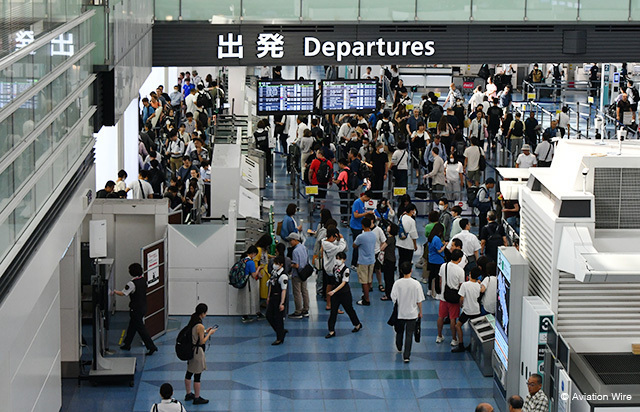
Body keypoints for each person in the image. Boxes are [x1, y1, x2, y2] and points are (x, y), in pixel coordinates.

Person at [113, 263, 158, 355]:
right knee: (132, 326)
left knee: (141, 329)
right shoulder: (143, 280)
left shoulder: (131, 283)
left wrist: (113, 292)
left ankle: (151, 346)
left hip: (135, 309)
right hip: (143, 307)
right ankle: (127, 343)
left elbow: (123, 293)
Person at [390, 262, 425, 363]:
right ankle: (406, 356)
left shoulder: (397, 283)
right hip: (412, 314)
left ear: (401, 271)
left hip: (400, 313)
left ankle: (399, 345)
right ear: (411, 270)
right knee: (409, 334)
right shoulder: (416, 284)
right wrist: (420, 312)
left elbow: (393, 297)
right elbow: (419, 301)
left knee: (399, 331)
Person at [183, 303, 216, 405]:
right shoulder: (200, 325)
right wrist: (209, 334)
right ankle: (197, 398)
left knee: (189, 373)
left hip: (190, 349)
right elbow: (202, 341)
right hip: (197, 352)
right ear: (203, 313)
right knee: (197, 375)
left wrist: (206, 331)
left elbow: (195, 333)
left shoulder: (193, 319)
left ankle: (188, 394)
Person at [326, 251, 363, 338]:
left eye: (340, 259)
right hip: (335, 294)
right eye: (337, 258)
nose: (338, 260)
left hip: (344, 293)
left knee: (349, 309)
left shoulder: (346, 270)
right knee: (333, 312)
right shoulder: (335, 267)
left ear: (344, 260)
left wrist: (334, 291)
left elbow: (344, 283)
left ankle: (357, 324)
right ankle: (331, 330)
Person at [436, 249, 465, 346]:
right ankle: (454, 339)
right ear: (460, 259)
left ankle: (439, 336)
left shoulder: (444, 266)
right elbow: (461, 286)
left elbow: (440, 281)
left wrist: (442, 291)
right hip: (454, 298)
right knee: (453, 319)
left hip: (443, 296)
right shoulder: (460, 271)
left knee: (441, 316)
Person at [452, 267, 482, 352]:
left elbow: (461, 298)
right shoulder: (478, 285)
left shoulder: (465, 285)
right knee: (475, 330)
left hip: (467, 310)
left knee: (458, 325)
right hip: (476, 310)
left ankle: (461, 344)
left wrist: (461, 305)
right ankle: (473, 345)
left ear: (470, 275)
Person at [353, 217, 377, 306]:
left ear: (362, 225)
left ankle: (366, 299)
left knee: (364, 281)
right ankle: (366, 295)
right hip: (372, 260)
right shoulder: (373, 235)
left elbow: (354, 245)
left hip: (363, 261)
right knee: (369, 279)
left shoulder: (361, 236)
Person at [266, 255, 288, 345]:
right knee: (269, 316)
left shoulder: (283, 276)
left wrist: (282, 303)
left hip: (279, 298)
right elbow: (271, 284)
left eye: (277, 264)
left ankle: (279, 337)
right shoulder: (274, 272)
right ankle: (281, 331)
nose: (274, 265)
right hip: (272, 297)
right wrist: (268, 296)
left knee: (278, 318)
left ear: (281, 265)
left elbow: (284, 290)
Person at [349, 191, 374, 267]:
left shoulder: (363, 203)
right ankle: (353, 263)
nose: (368, 201)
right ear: (365, 196)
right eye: (368, 199)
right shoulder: (357, 203)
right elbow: (356, 215)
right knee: (357, 245)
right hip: (355, 226)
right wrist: (366, 213)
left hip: (360, 226)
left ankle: (358, 261)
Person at [288, 233, 310, 318]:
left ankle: (298, 311)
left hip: (297, 274)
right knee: (304, 291)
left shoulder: (295, 251)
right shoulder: (304, 248)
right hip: (304, 273)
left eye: (291, 240)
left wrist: (289, 264)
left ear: (295, 240)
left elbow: (296, 265)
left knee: (297, 292)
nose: (290, 242)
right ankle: (305, 309)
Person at [239, 246, 263, 323]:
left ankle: (245, 315)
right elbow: (254, 275)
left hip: (243, 280)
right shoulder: (251, 262)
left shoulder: (243, 260)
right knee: (252, 297)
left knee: (245, 298)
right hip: (249, 282)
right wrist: (259, 268)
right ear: (253, 253)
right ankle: (249, 315)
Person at [396, 203, 419, 270]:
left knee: (401, 259)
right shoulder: (411, 221)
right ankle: (406, 275)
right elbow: (413, 235)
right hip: (408, 244)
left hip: (400, 243)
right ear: (411, 211)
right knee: (407, 261)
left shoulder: (401, 217)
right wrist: (415, 245)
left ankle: (401, 273)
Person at [427, 223, 447, 298]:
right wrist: (445, 246)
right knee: (438, 276)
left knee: (431, 275)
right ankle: (437, 293)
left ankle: (429, 290)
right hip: (438, 260)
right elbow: (439, 250)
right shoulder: (437, 239)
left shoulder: (431, 237)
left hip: (431, 258)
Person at [380, 223, 398, 301]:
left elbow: (382, 248)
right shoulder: (392, 238)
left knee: (388, 279)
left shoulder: (390, 239)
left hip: (388, 260)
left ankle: (388, 294)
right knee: (390, 278)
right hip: (392, 260)